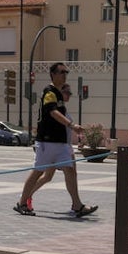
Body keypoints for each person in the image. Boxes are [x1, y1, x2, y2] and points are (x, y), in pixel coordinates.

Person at [14, 62, 97, 218]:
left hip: (59, 143)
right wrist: (71, 125)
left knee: (70, 171)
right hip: (47, 141)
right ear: (53, 74)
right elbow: (52, 112)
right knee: (38, 172)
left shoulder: (58, 94)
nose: (65, 75)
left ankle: (77, 205)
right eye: (62, 72)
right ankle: (22, 203)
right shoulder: (49, 92)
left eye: (66, 72)